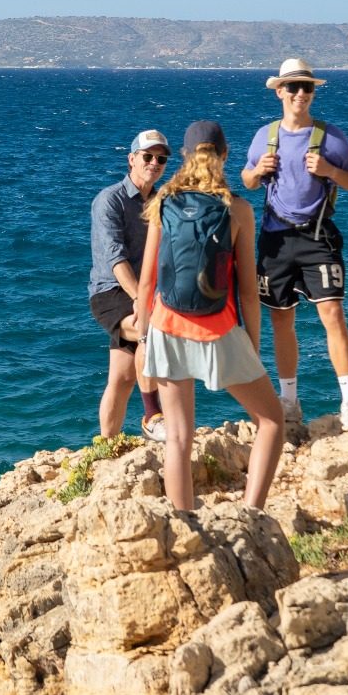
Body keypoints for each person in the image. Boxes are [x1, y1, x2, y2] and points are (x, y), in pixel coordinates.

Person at [133, 120, 285, 510]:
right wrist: (251, 344)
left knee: (179, 437)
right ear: (226, 156)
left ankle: (183, 525)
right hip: (218, 330)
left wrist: (148, 338)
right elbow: (249, 293)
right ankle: (252, 513)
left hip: (166, 327)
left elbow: (147, 282)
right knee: (270, 422)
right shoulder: (238, 209)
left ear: (184, 157)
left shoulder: (163, 201)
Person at [240, 58, 348, 431]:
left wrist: (331, 172)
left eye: (307, 87)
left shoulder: (330, 137)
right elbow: (247, 181)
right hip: (276, 239)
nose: (300, 93)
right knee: (281, 320)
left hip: (317, 237)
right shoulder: (265, 136)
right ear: (279, 92)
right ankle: (290, 401)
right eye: (293, 87)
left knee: (333, 316)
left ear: (313, 93)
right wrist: (256, 171)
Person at [89, 129, 171, 441]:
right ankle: (153, 416)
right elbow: (115, 259)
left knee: (122, 378)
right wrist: (142, 300)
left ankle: (106, 445)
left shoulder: (162, 202)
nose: (154, 162)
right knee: (150, 332)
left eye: (161, 159)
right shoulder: (110, 200)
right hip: (111, 292)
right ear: (132, 159)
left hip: (146, 293)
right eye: (147, 156)